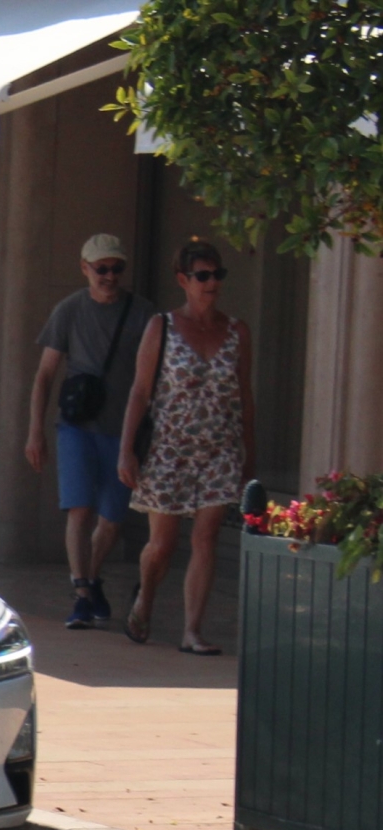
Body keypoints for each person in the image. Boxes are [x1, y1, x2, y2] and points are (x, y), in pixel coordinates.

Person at [119, 238, 253, 655]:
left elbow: (244, 395)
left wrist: (250, 453)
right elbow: (140, 391)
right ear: (184, 280)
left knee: (206, 538)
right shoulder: (163, 326)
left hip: (220, 449)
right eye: (203, 276)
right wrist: (126, 449)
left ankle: (192, 631)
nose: (211, 283)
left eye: (217, 275)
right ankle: (145, 598)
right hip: (169, 449)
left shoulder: (236, 331)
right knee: (163, 544)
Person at [26, 234, 153, 630]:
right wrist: (35, 431)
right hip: (77, 426)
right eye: (101, 269)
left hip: (123, 430)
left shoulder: (143, 314)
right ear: (85, 268)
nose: (109, 276)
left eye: (116, 269)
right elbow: (45, 374)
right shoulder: (69, 311)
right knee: (79, 509)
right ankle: (81, 592)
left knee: (113, 518)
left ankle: (91, 578)